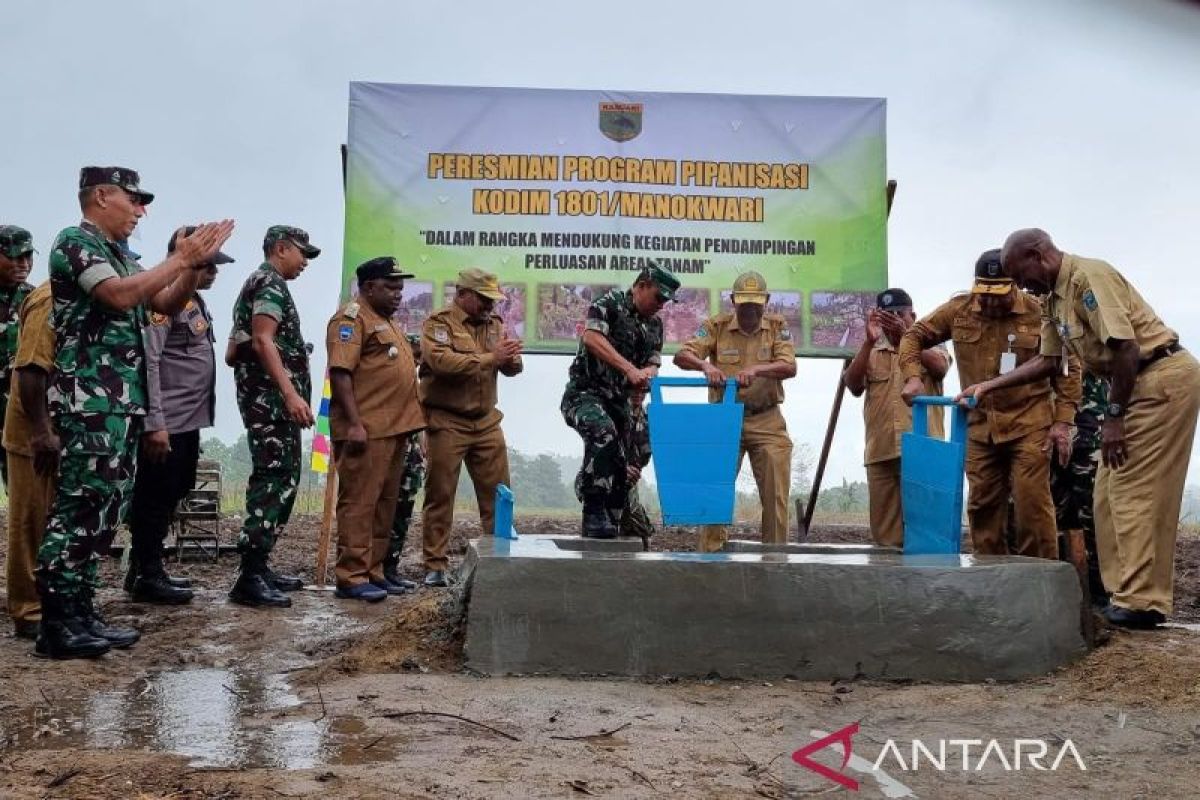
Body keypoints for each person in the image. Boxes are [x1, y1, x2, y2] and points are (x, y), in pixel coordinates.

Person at [958, 229, 1200, 629]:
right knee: (1105, 495)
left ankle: (1140, 602)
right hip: (1135, 384)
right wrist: (989, 385)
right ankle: (1129, 594)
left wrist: (1114, 417)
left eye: (1021, 275)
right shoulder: (1053, 298)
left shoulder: (1088, 278)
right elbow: (1050, 361)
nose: (1022, 286)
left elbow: (1126, 348)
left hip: (1159, 379)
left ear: (1038, 255)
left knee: (1131, 490)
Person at [37, 166, 232, 659]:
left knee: (104, 510)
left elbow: (163, 300)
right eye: (134, 200)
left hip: (121, 405)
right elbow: (119, 295)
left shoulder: (121, 256)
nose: (141, 211)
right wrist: (179, 256)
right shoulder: (75, 242)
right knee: (78, 508)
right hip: (90, 403)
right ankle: (57, 621)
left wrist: (190, 267)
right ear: (101, 196)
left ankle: (82, 611)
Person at [898, 250, 1080, 558]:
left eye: (999, 294)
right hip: (980, 427)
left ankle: (1039, 583)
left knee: (1031, 504)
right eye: (984, 293)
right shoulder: (959, 310)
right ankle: (993, 579)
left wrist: (1062, 421)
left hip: (1029, 422)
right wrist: (912, 376)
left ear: (1015, 285)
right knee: (982, 505)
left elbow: (1068, 365)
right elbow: (913, 336)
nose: (991, 302)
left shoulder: (1039, 312)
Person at [125, 227, 233, 604]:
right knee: (155, 495)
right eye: (207, 264)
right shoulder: (161, 298)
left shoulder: (194, 301)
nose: (214, 272)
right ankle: (147, 573)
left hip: (188, 419)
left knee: (175, 488)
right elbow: (150, 360)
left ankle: (144, 566)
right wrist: (155, 423)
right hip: (166, 420)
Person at [226, 225, 319, 608]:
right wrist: (291, 392)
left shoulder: (257, 283)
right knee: (274, 480)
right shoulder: (270, 285)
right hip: (272, 405)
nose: (305, 263)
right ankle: (249, 576)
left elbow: (234, 352)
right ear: (281, 248)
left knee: (279, 479)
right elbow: (263, 340)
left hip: (264, 402)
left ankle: (260, 567)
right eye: (302, 254)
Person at [675, 271, 797, 552]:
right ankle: (711, 556)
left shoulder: (778, 326)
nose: (750, 309)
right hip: (723, 418)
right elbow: (683, 355)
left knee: (776, 493)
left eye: (756, 303)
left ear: (766, 301)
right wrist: (706, 366)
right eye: (744, 303)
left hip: (767, 419)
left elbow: (789, 367)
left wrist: (756, 369)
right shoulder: (715, 326)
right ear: (733, 301)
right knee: (715, 489)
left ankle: (775, 558)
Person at [326, 257, 425, 601]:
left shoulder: (387, 321)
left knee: (385, 504)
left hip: (395, 429)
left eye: (400, 288)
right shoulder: (351, 319)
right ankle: (351, 575)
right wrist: (353, 424)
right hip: (365, 429)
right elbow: (340, 372)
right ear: (368, 287)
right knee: (359, 503)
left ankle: (374, 571)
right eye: (391, 287)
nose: (399, 294)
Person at [419, 268, 522, 586]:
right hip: (447, 420)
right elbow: (442, 363)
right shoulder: (438, 324)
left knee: (499, 494)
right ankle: (435, 565)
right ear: (462, 294)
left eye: (493, 300)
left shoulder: (495, 325)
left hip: (486, 421)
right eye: (483, 299)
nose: (490, 306)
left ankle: (499, 558)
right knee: (441, 493)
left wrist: (511, 360)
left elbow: (512, 369)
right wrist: (491, 357)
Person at [561, 263, 679, 538]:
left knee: (624, 464)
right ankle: (592, 508)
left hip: (619, 402)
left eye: (666, 300)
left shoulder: (654, 325)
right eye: (658, 297)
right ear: (642, 285)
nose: (661, 305)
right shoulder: (609, 304)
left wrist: (647, 373)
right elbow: (591, 338)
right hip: (585, 393)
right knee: (603, 434)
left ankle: (611, 519)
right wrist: (628, 369)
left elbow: (653, 362)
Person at [844, 288, 950, 548]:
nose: (892, 321)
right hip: (881, 451)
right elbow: (853, 385)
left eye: (898, 315)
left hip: (924, 447)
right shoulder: (870, 347)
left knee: (927, 532)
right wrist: (868, 342)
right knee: (886, 537)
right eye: (886, 316)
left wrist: (907, 337)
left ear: (912, 314)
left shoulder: (931, 338)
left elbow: (940, 368)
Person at [3, 281, 55, 639]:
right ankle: (27, 609)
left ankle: (54, 600)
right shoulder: (51, 299)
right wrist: (40, 432)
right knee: (29, 521)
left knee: (53, 519)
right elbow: (29, 368)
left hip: (64, 428)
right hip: (33, 429)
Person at [1051, 371, 1110, 604]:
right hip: (1048, 430)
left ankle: (1100, 593)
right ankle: (1065, 591)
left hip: (1091, 432)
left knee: (1093, 516)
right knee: (1057, 516)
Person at [0, 225, 36, 487]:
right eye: (14, 257)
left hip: (19, 415)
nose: (23, 264)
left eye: (27, 257)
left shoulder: (35, 299)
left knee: (22, 491)